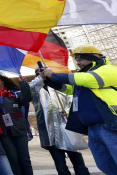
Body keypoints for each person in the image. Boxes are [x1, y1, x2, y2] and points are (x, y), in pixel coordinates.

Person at [41, 45, 117, 174]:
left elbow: (89, 79)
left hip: (110, 125)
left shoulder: (108, 70)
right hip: (93, 129)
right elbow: (69, 89)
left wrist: (54, 75)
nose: (78, 62)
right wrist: (50, 80)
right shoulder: (82, 76)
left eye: (80, 59)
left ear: (92, 58)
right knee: (105, 164)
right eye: (76, 60)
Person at [30, 67, 89, 175]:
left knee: (77, 159)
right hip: (49, 131)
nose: (42, 74)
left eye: (44, 71)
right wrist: (40, 79)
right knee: (60, 163)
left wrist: (68, 111)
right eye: (39, 73)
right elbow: (30, 90)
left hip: (67, 128)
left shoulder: (60, 86)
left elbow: (73, 101)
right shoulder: (36, 88)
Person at [0, 70, 33, 175]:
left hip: (19, 129)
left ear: (3, 80)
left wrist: (23, 84)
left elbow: (27, 98)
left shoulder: (14, 93)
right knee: (13, 160)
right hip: (4, 132)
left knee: (25, 159)